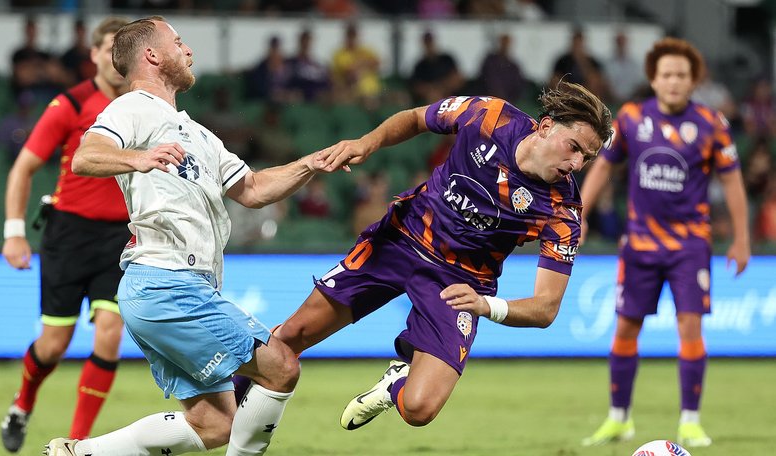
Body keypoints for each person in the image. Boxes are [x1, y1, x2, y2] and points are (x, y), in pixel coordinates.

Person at [232, 82, 613, 429]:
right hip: (400, 241)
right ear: (545, 127)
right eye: (574, 147)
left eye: (587, 157)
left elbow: (546, 308)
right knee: (292, 335)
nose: (577, 164)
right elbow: (415, 118)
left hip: (459, 283)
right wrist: (368, 143)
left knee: (419, 410)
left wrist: (486, 305)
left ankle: (396, 382)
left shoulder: (562, 211)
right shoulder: (489, 115)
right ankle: (226, 414)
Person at [44, 16, 329, 456]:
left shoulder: (199, 134)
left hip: (172, 287)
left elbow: (252, 190)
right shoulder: (133, 107)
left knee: (214, 425)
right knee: (281, 367)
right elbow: (86, 155)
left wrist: (312, 163)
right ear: (152, 55)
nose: (189, 50)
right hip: (166, 282)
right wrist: (138, 158)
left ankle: (79, 453)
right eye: (179, 42)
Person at [580, 37, 750, 448]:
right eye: (666, 74)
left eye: (682, 75)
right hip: (639, 243)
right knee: (626, 327)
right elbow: (603, 165)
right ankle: (619, 418)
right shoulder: (631, 117)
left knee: (689, 327)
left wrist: (742, 238)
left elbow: (732, 181)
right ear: (653, 80)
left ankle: (690, 421)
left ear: (693, 82)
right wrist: (579, 214)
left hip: (690, 245)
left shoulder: (712, 124)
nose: (674, 81)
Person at [0, 17, 131, 454]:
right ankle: (22, 404)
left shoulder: (142, 107)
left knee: (110, 331)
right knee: (54, 344)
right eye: (108, 50)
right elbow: (23, 168)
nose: (115, 61)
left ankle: (76, 443)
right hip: (69, 235)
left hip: (121, 238)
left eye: (123, 51)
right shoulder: (69, 105)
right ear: (92, 55)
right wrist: (14, 233)